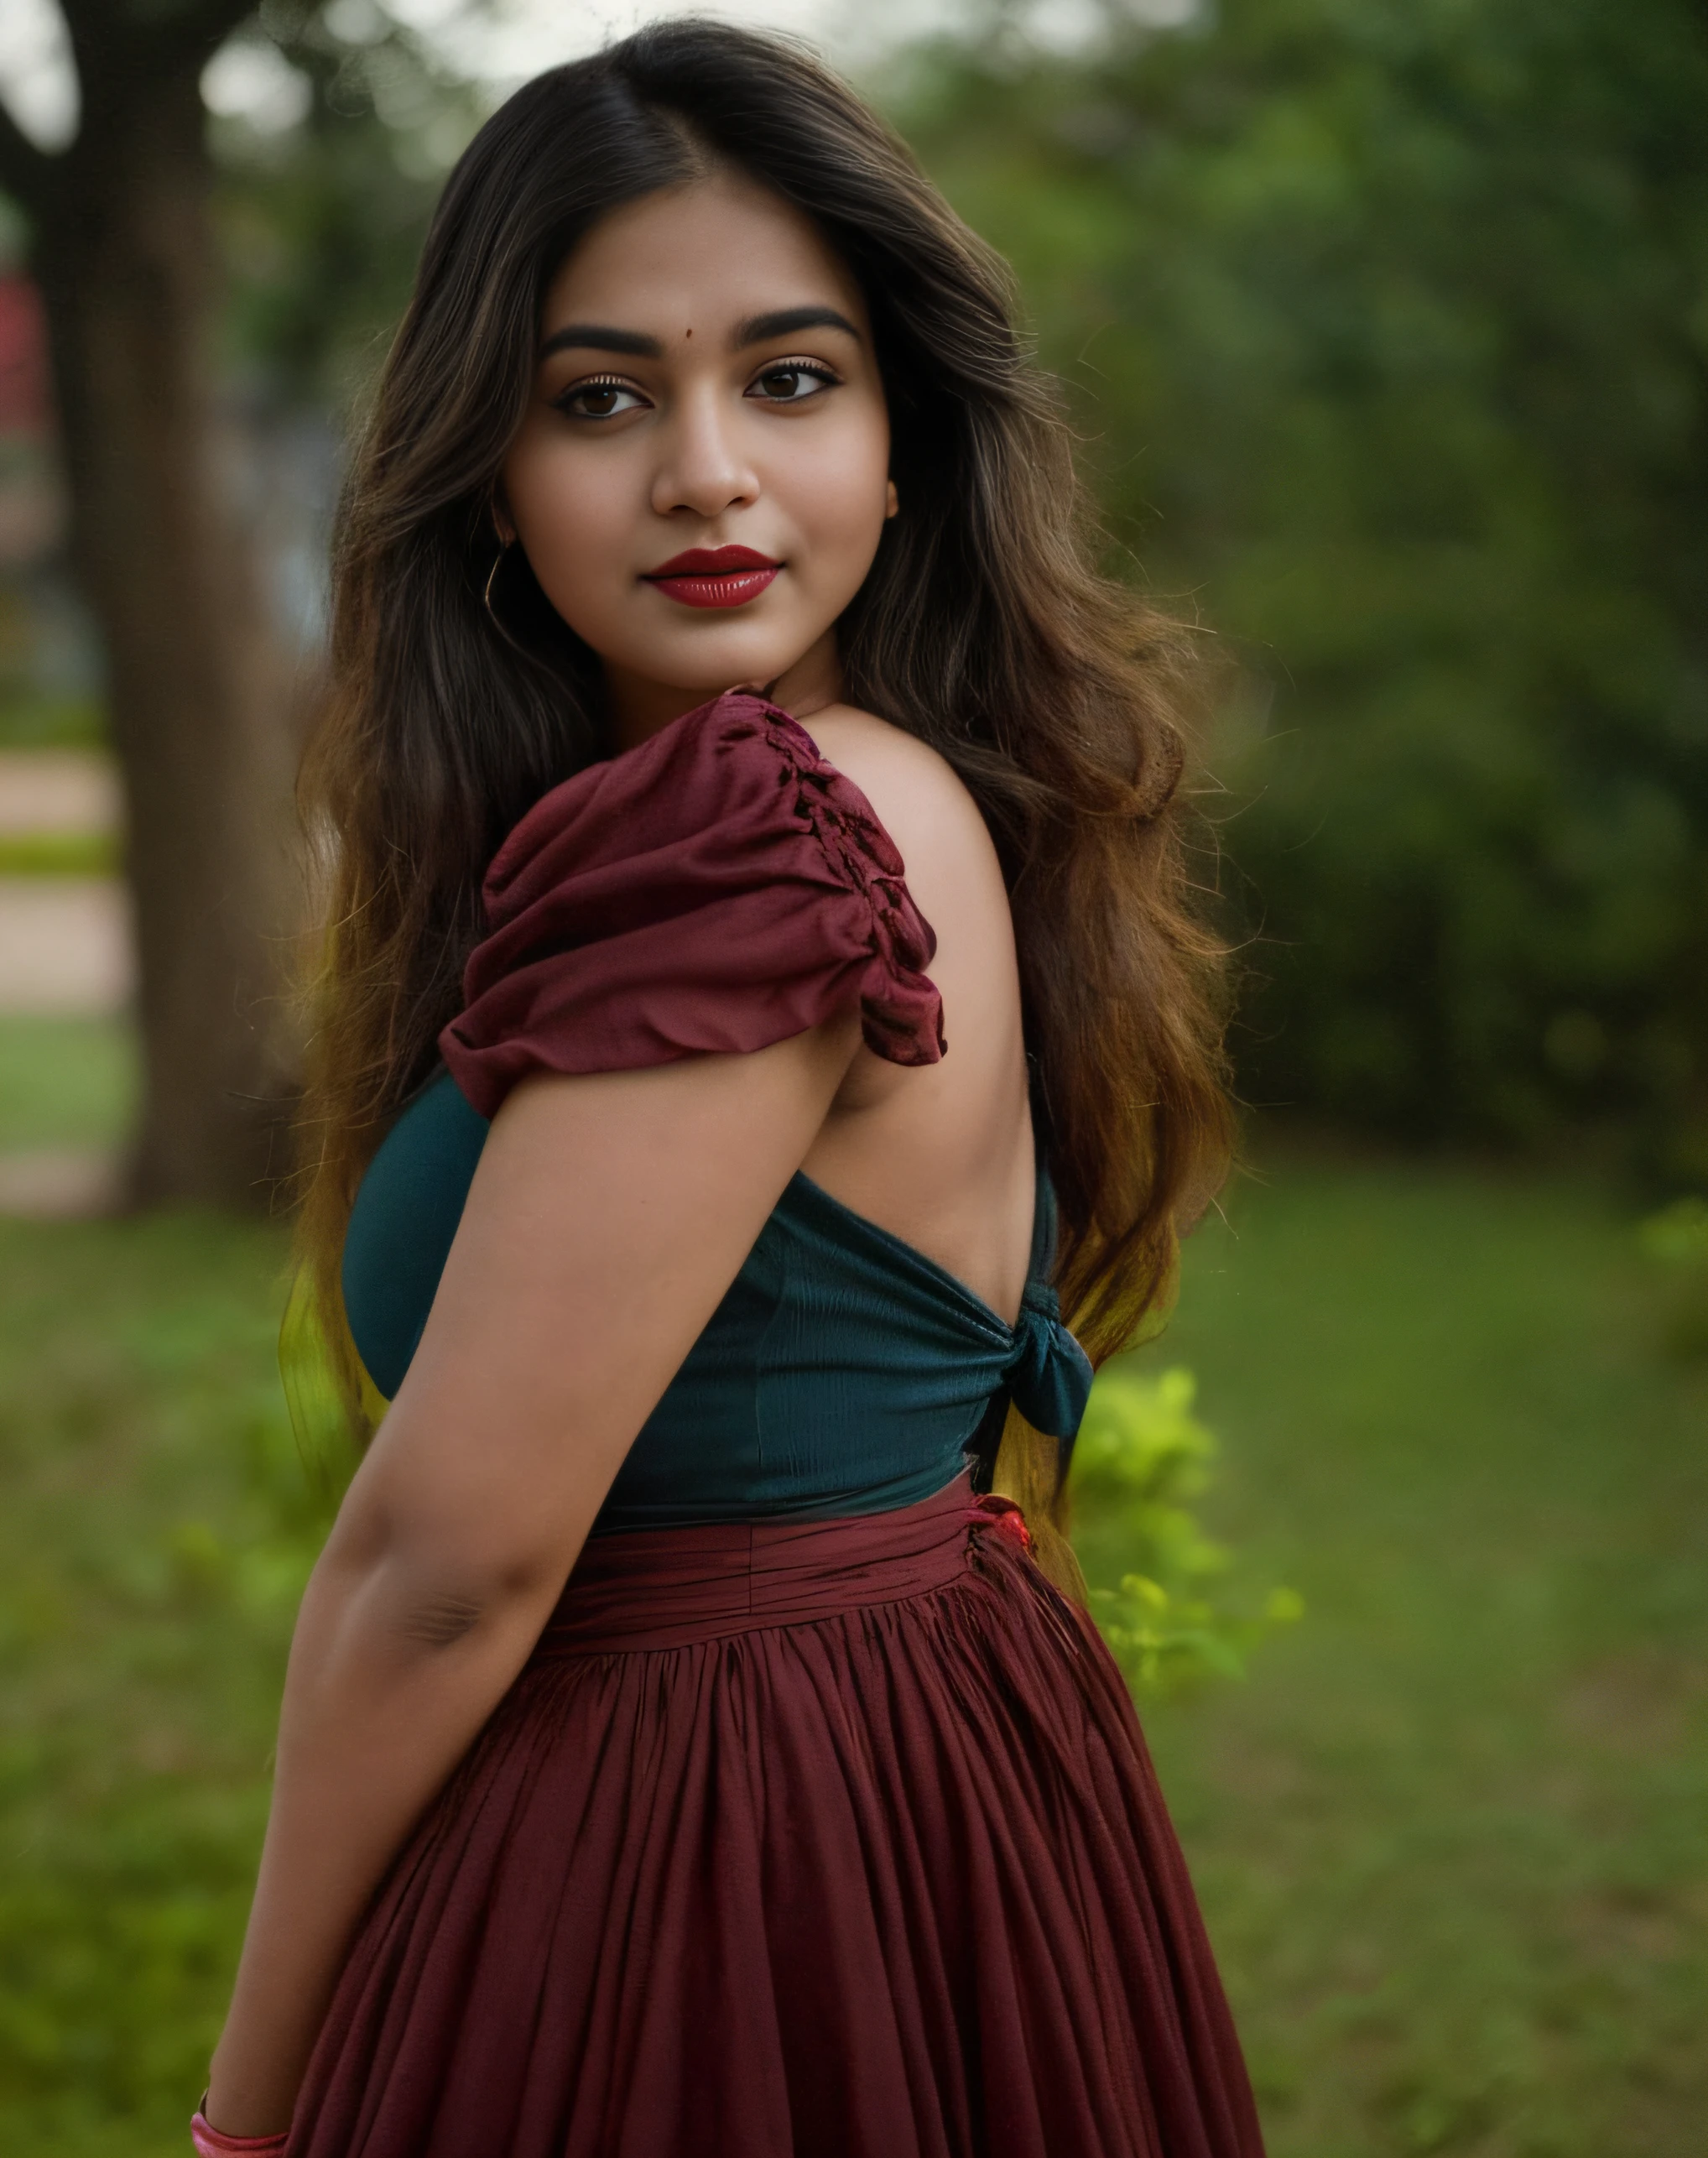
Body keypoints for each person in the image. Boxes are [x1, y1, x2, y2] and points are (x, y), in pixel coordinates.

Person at [195, 21, 1260, 2157]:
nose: (706, 471)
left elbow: (444, 1566)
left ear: (900, 442)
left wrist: (250, 2114)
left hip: (712, 1843)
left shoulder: (766, 840)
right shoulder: (893, 800)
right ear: (487, 471)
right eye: (602, 398)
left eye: (789, 378)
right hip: (903, 1775)